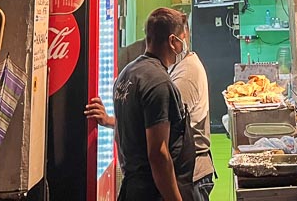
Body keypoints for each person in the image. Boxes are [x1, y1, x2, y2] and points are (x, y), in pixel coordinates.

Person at [88, 15, 215, 201]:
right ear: (173, 41)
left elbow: (127, 129)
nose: (184, 43)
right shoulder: (159, 82)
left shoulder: (126, 74)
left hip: (134, 186)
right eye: (183, 37)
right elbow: (159, 153)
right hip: (158, 189)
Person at [169, 16, 215, 201]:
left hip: (192, 175)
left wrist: (116, 122)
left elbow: (166, 122)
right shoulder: (178, 67)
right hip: (189, 172)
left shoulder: (186, 74)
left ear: (175, 41)